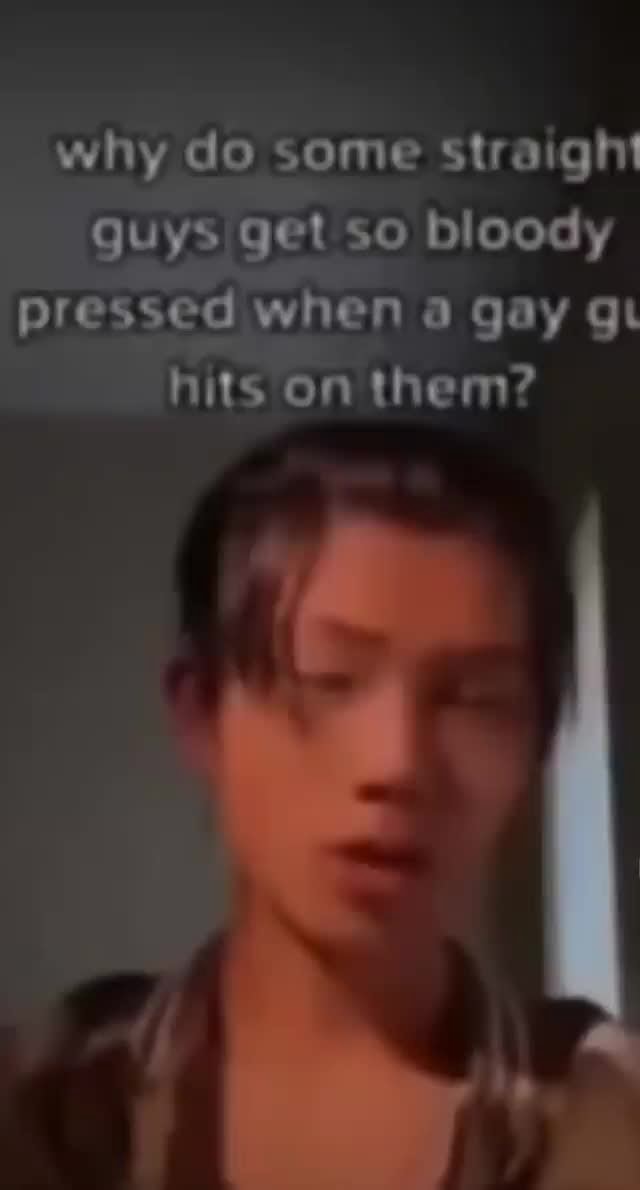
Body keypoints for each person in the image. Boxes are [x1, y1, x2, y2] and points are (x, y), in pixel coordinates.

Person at [1, 416, 639, 1190]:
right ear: (202, 713)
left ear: (538, 747)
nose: (397, 764)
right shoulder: (43, 1104)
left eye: (476, 699)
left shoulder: (607, 1115)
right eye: (329, 680)